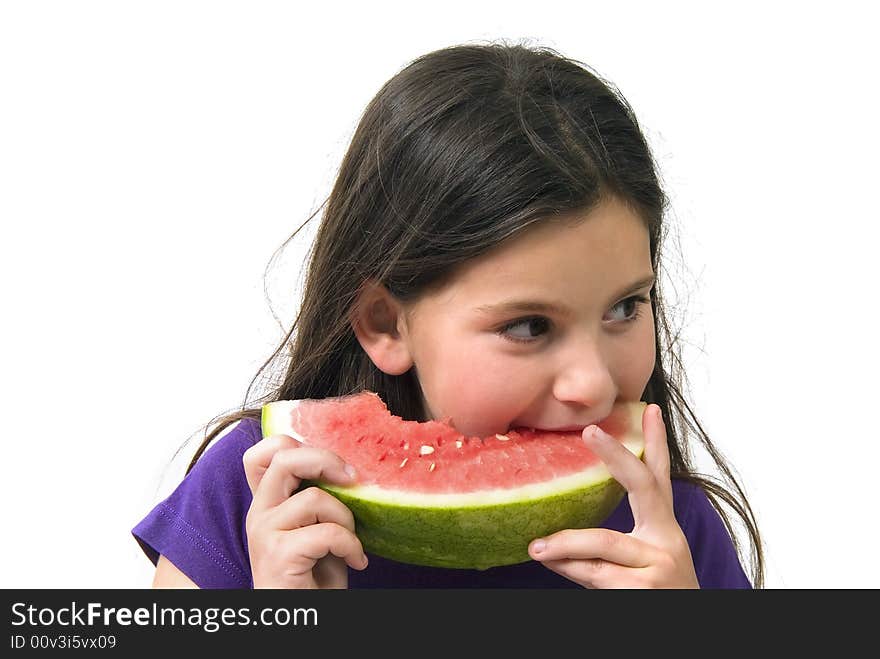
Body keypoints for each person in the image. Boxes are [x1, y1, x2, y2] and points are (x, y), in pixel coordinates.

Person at [133, 40, 764, 589]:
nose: (593, 383)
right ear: (385, 323)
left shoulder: (676, 536)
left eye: (625, 307)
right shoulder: (255, 494)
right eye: (529, 326)